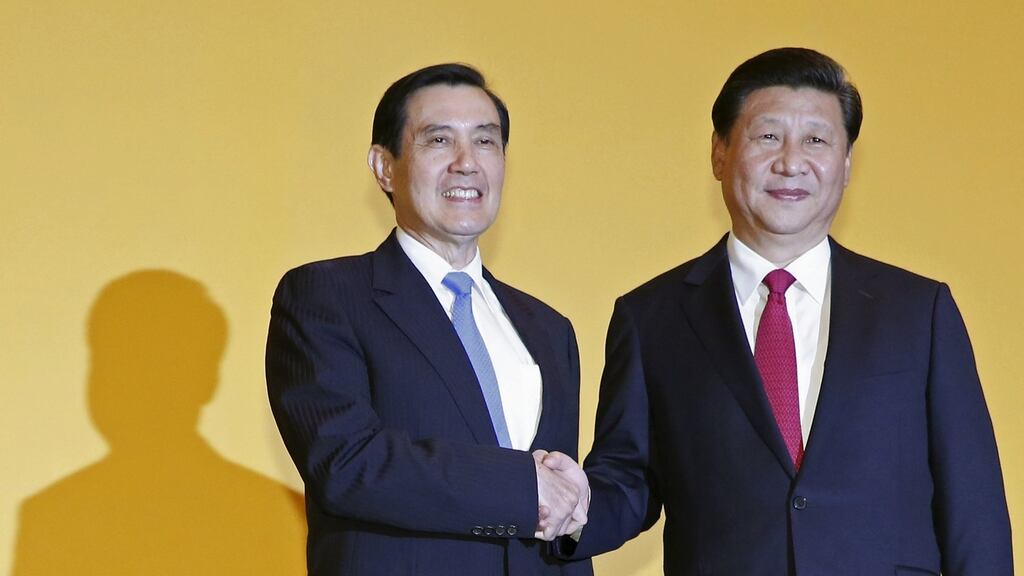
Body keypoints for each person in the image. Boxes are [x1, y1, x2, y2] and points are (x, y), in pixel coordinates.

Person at [552, 47, 1012, 574]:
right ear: (720, 153)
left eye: (816, 140)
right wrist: (567, 508)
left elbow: (973, 506)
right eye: (767, 136)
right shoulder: (651, 317)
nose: (791, 162)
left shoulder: (919, 310)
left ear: (845, 163)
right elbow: (628, 481)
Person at [266, 63, 592, 576]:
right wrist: (521, 487)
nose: (467, 164)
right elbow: (347, 463)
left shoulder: (549, 329)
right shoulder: (327, 296)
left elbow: (557, 504)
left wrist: (569, 514)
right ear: (384, 167)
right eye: (439, 140)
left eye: (486, 142)